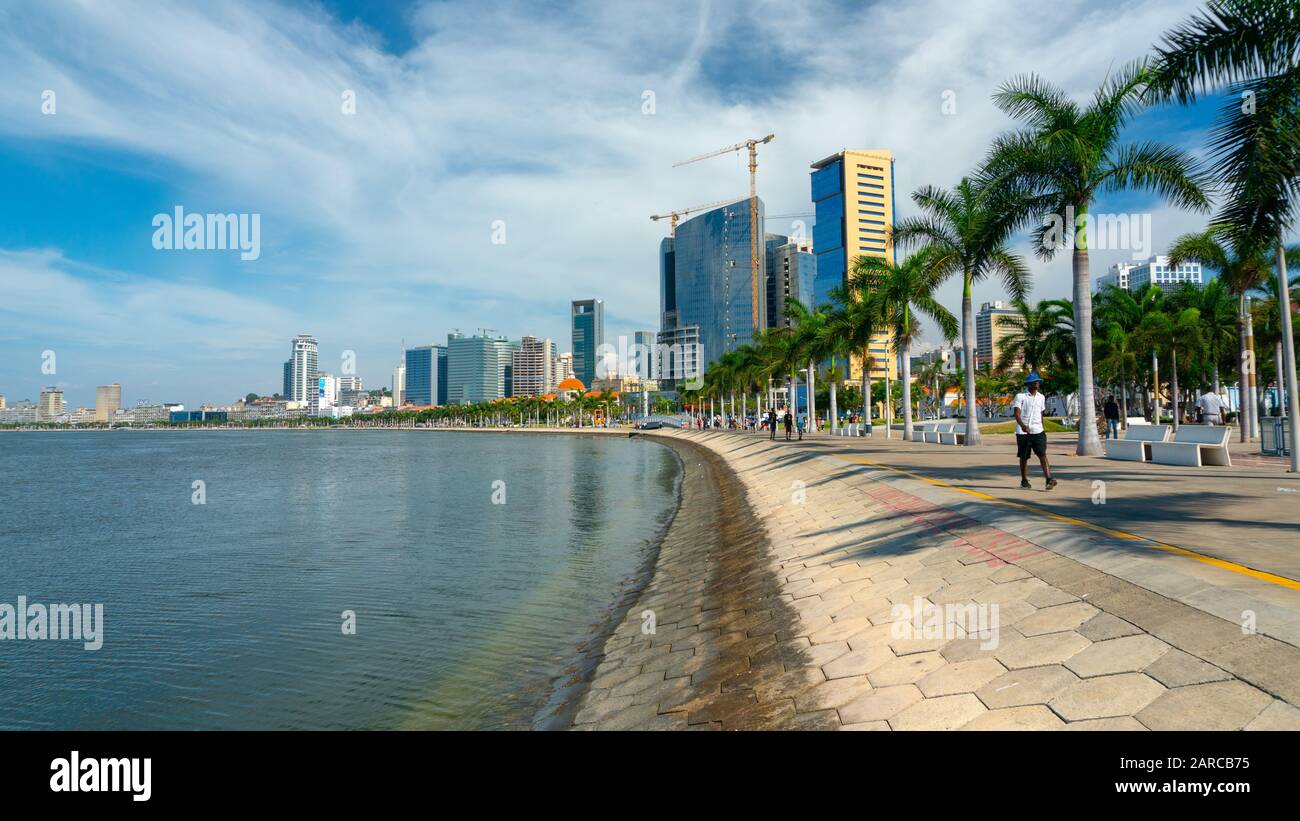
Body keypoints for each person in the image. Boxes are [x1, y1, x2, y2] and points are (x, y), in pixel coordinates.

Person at [1013, 373, 1057, 491]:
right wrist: (1022, 425)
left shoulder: (1041, 397)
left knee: (1042, 454)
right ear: (1028, 384)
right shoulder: (1020, 396)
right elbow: (1017, 413)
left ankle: (1048, 479)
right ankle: (1024, 480)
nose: (1037, 383)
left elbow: (1041, 413)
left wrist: (1042, 427)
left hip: (1038, 431)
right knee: (1024, 457)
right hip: (1023, 432)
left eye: (1038, 381)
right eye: (1034, 381)